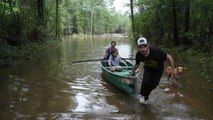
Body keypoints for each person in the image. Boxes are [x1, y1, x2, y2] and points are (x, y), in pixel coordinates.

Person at [130, 37, 176, 104]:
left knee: (153, 85)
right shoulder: (139, 55)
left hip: (158, 70)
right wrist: (132, 72)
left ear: (148, 45)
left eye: (145, 46)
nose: (143, 49)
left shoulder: (157, 52)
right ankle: (141, 95)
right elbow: (137, 65)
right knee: (145, 82)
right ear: (138, 47)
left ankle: (146, 96)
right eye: (140, 47)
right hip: (148, 69)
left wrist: (173, 70)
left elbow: (169, 57)